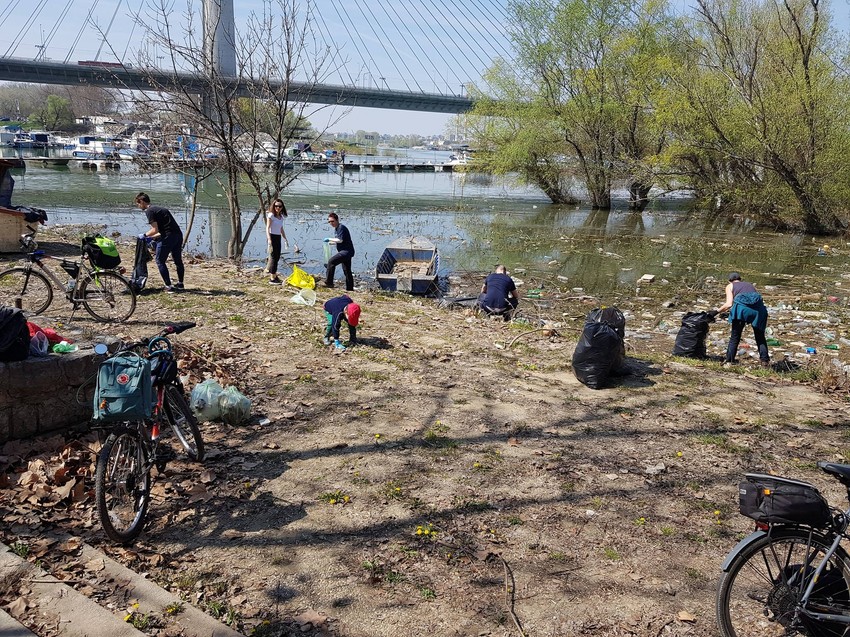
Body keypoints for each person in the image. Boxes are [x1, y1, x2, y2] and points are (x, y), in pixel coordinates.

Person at [716, 272, 769, 367]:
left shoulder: (730, 286)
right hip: (758, 311)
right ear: (740, 279)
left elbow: (729, 304)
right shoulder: (750, 285)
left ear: (730, 281)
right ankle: (765, 362)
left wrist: (716, 312)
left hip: (741, 311)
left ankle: (729, 360)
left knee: (735, 336)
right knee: (760, 337)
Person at [135, 192, 184, 293]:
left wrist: (144, 235)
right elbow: (165, 229)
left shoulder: (149, 211)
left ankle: (168, 286)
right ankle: (180, 284)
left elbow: (155, 229)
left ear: (142, 201)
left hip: (168, 237)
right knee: (178, 260)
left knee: (159, 260)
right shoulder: (160, 209)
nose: (138, 206)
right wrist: (152, 238)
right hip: (178, 235)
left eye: (138, 203)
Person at [324, 212, 355, 291]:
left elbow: (340, 240)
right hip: (347, 251)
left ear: (337, 220)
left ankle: (329, 283)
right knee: (347, 271)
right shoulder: (336, 229)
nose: (331, 223)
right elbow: (340, 240)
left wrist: (329, 239)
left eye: (332, 221)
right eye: (329, 222)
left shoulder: (341, 227)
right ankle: (350, 289)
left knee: (331, 262)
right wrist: (330, 243)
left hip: (346, 251)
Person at [265, 198, 289, 284]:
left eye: (279, 206)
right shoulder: (271, 215)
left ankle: (274, 275)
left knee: (277, 256)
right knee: (274, 257)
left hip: (278, 237)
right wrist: (269, 239)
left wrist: (285, 238)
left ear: (282, 207)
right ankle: (272, 278)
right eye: (276, 206)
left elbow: (281, 228)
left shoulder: (281, 217)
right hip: (272, 237)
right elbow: (267, 228)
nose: (277, 208)